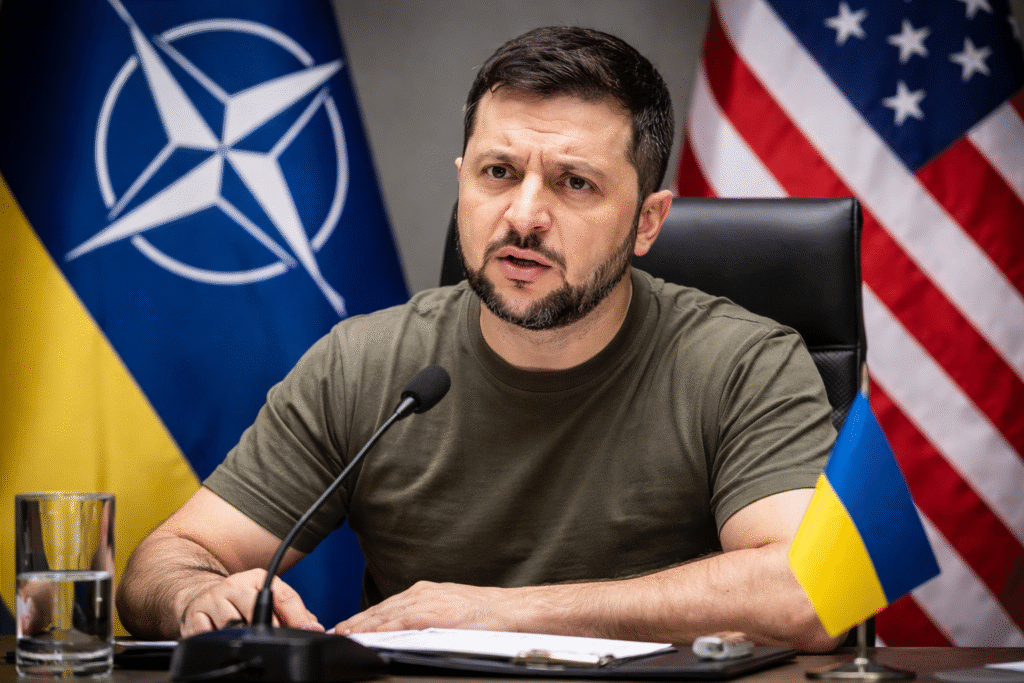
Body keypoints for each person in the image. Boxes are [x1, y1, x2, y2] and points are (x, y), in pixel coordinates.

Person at [116, 26, 842, 652]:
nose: (524, 215)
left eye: (574, 184)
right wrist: (193, 598)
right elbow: (166, 559)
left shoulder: (742, 360)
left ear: (648, 221)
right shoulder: (368, 362)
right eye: (499, 173)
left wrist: (498, 613)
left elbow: (808, 589)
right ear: (463, 182)